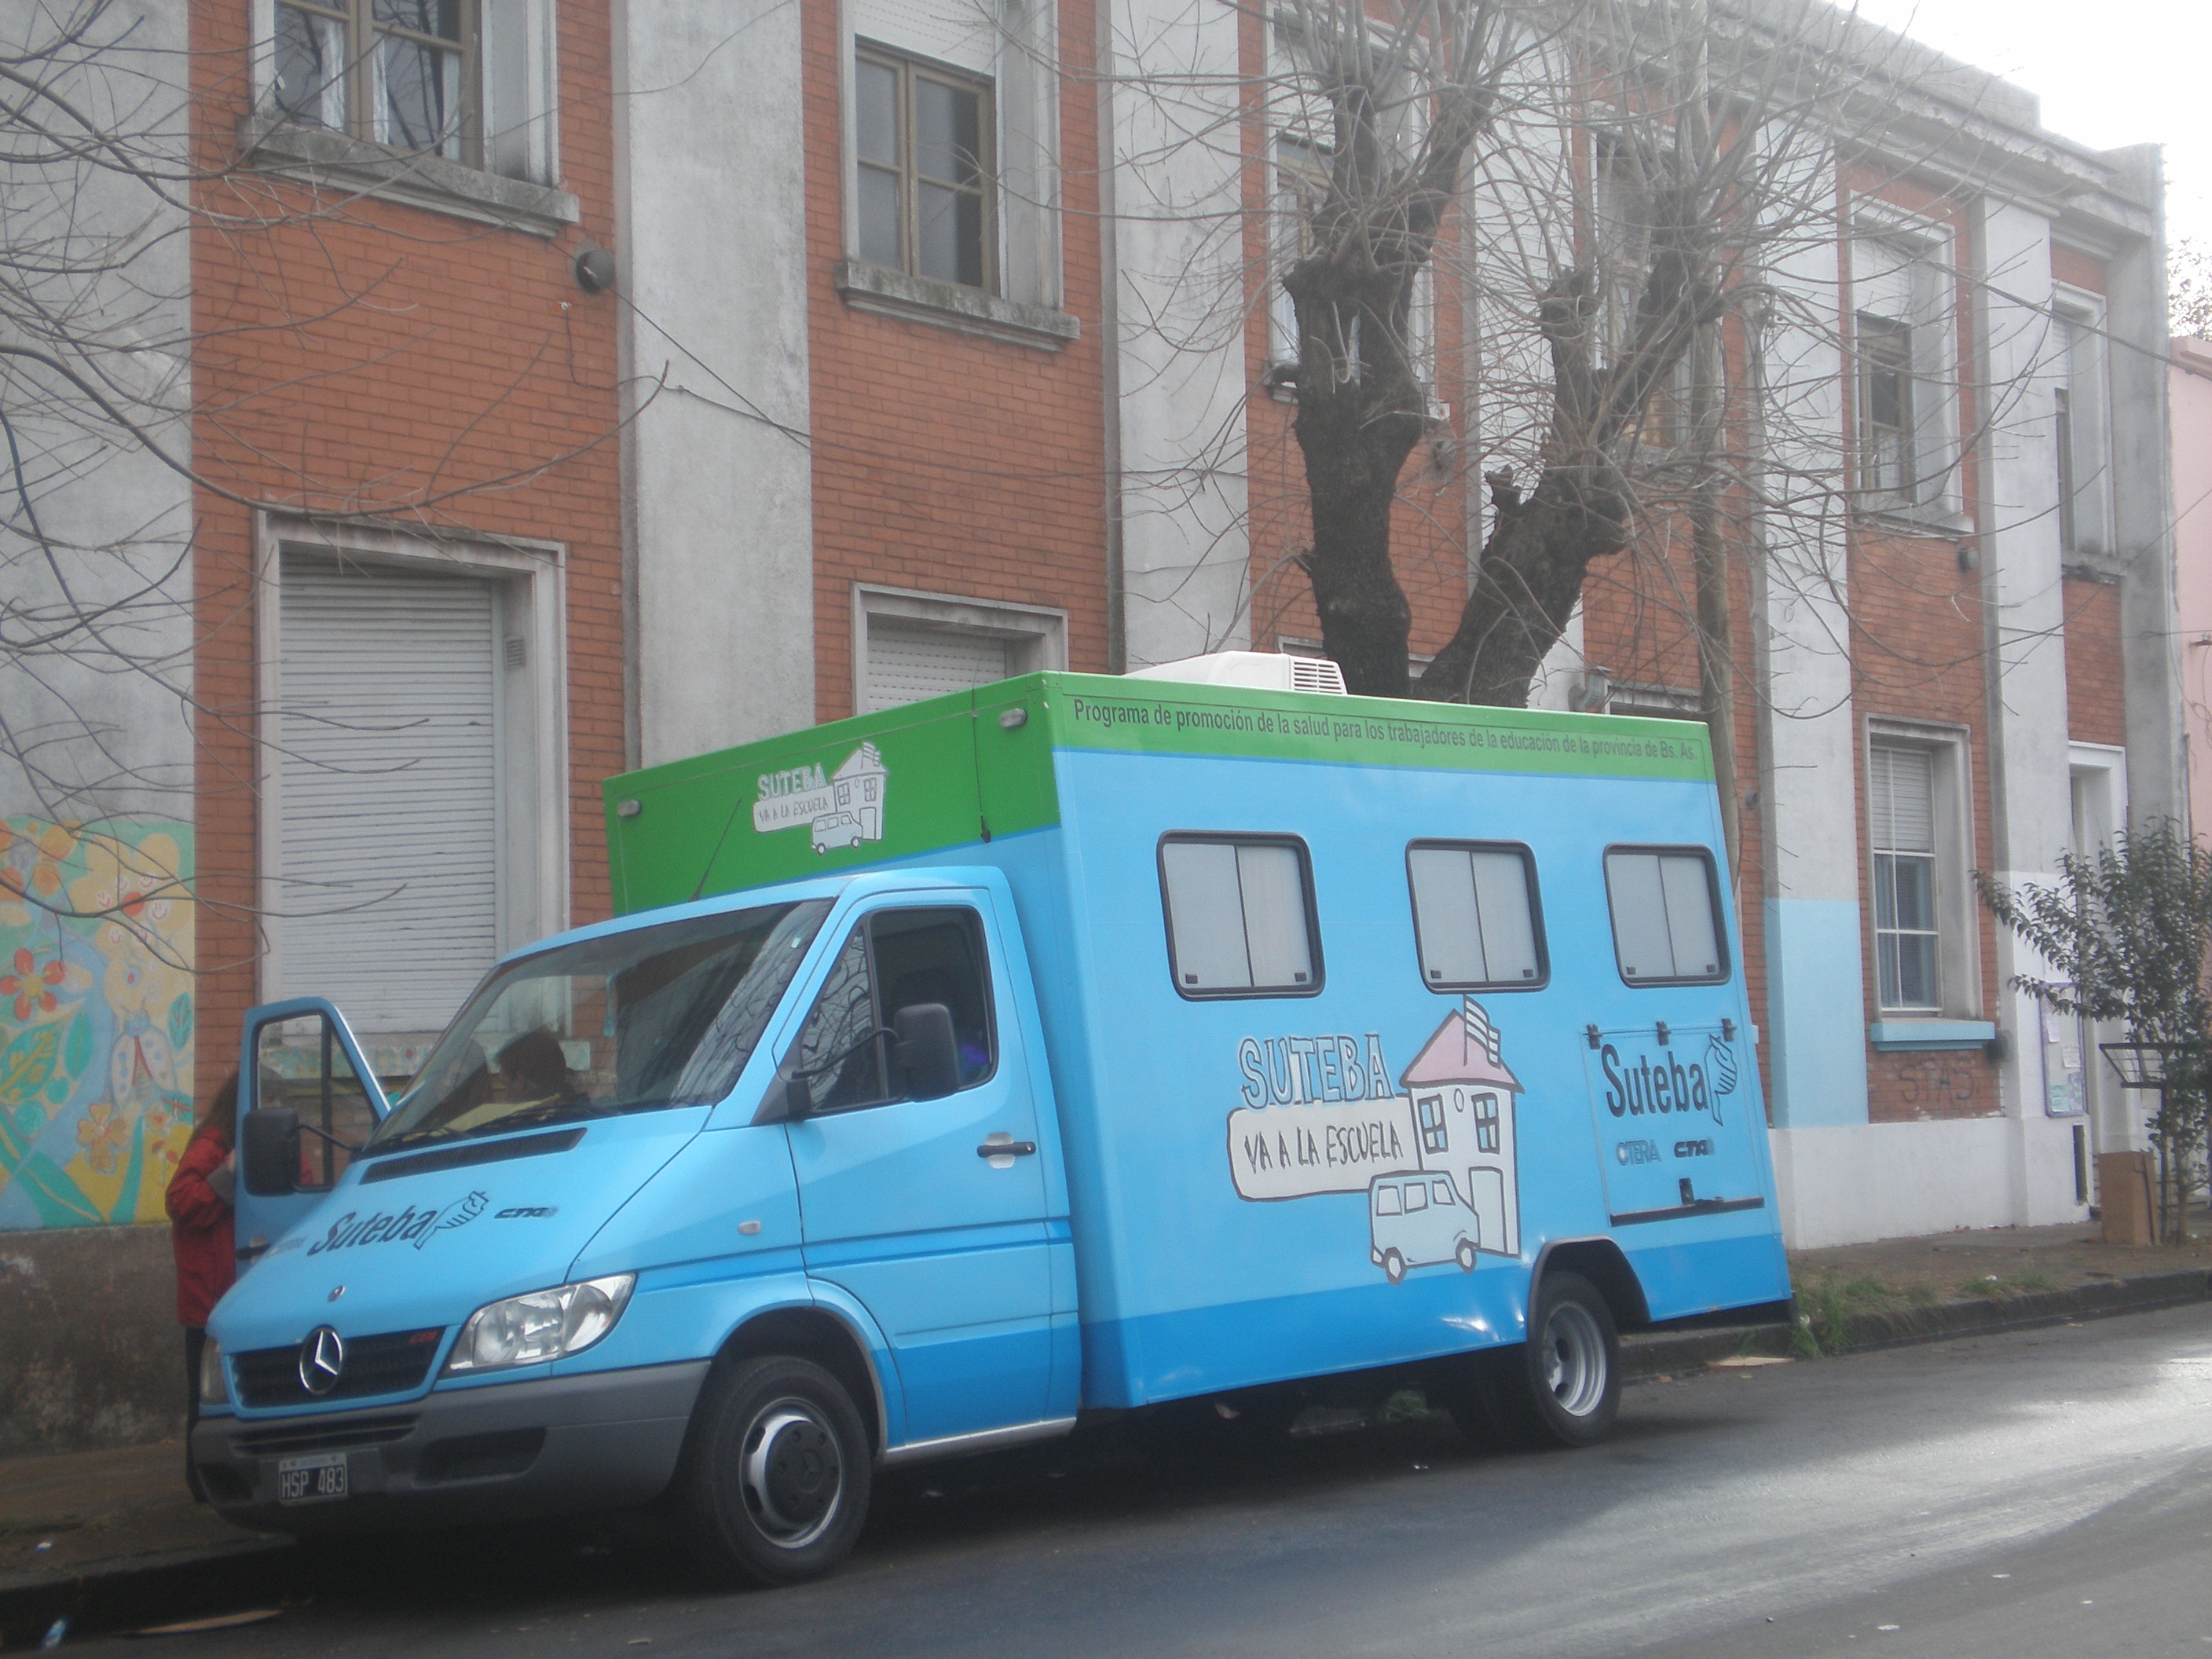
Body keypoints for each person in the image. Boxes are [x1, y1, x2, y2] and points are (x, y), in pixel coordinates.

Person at [167, 1071, 239, 1503]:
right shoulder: (212, 1146)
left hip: (230, 1292)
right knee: (204, 1396)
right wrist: (226, 1176)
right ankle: (200, 1484)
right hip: (208, 1298)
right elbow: (180, 1201)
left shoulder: (245, 1144)